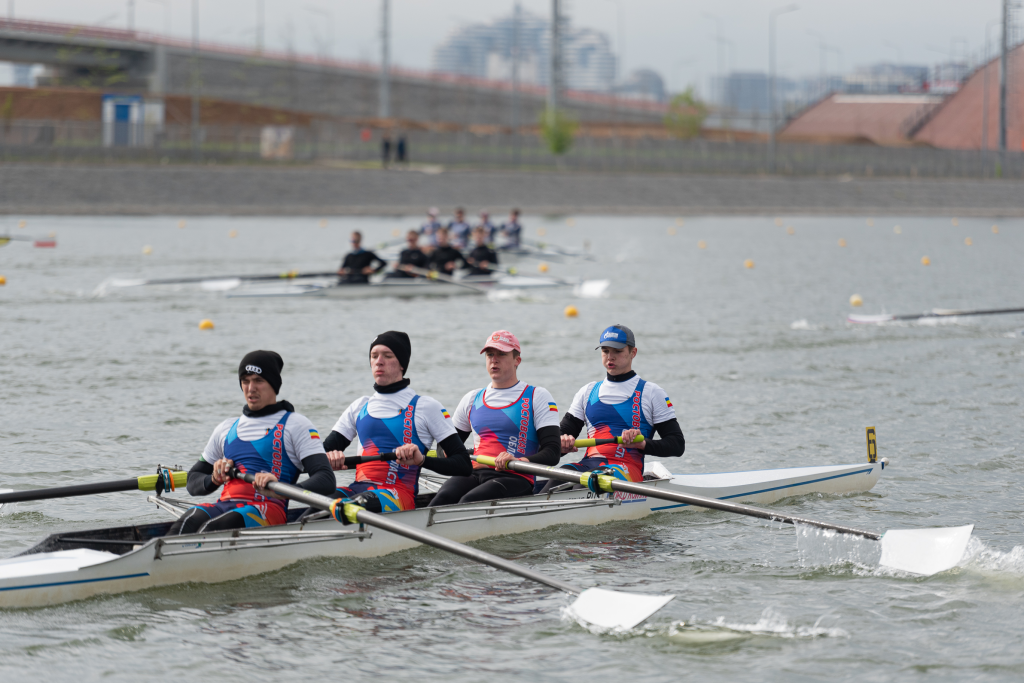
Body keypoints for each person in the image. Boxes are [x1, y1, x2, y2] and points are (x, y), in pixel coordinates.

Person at [168, 351, 336, 535]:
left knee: (215, 528)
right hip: (226, 505)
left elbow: (326, 479)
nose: (251, 388)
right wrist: (214, 478)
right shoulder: (226, 428)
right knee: (190, 518)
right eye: (245, 381)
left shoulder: (296, 424)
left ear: (273, 384)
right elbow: (193, 480)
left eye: (258, 380)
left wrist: (283, 490)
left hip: (268, 510)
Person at [324, 332, 472, 512]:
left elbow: (463, 465)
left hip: (398, 495)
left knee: (346, 508)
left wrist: (421, 460)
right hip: (358, 488)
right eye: (374, 356)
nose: (379, 361)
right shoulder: (359, 406)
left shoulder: (426, 407)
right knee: (317, 502)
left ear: (402, 364)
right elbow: (320, 453)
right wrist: (329, 458)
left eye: (387, 356)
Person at [429, 330, 561, 506]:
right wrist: (449, 452)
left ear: (517, 360)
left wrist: (518, 461)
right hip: (474, 473)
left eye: (502, 354)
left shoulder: (537, 396)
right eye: (490, 354)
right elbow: (443, 449)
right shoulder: (471, 399)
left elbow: (552, 452)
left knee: (468, 502)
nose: (494, 359)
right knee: (441, 499)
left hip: (515, 476)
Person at [547, 324, 685, 490]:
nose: (610, 357)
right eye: (605, 351)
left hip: (626, 469)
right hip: (588, 464)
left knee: (588, 483)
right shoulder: (587, 391)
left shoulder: (651, 393)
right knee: (558, 477)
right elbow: (558, 440)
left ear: (633, 352)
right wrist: (562, 444)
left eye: (617, 351)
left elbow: (677, 444)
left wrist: (643, 444)